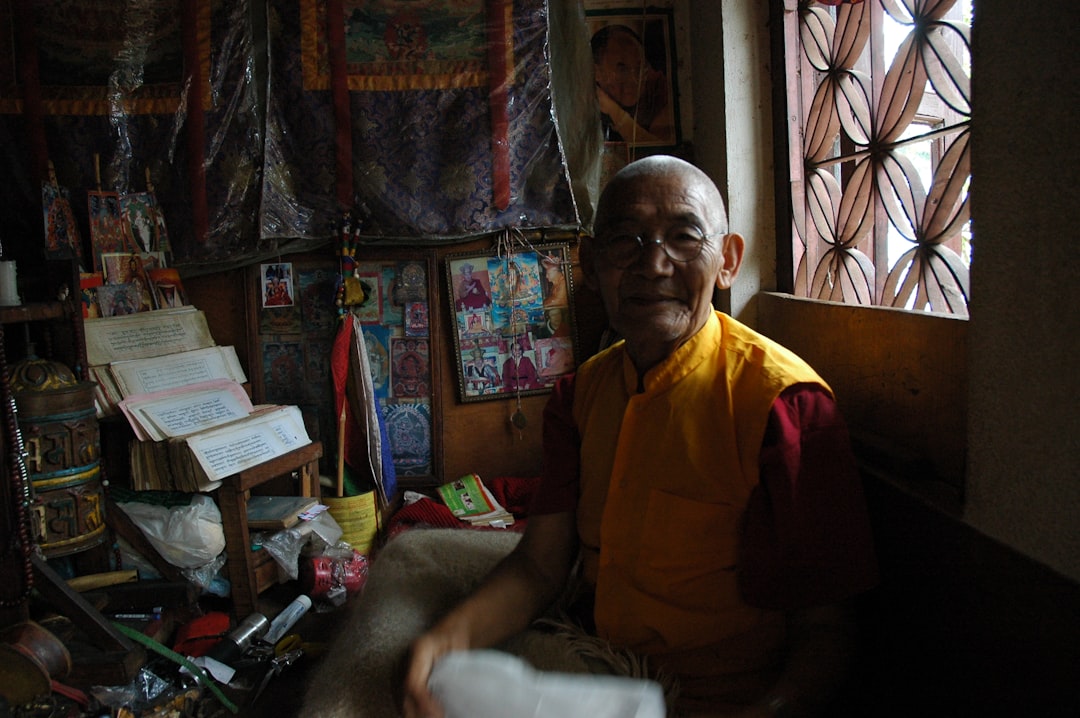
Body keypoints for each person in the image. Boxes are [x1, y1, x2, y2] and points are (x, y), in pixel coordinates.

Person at [403, 156, 878, 718]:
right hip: (592, 674)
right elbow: (539, 566)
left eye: (683, 237)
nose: (653, 265)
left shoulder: (785, 405)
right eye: (626, 240)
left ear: (727, 261)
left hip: (722, 699)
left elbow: (824, 627)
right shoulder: (580, 396)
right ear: (588, 262)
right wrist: (439, 645)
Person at [592, 24, 676, 146]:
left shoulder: (656, 87)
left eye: (640, 68)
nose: (634, 80)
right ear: (597, 73)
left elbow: (662, 155)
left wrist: (615, 112)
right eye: (622, 70)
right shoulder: (585, 102)